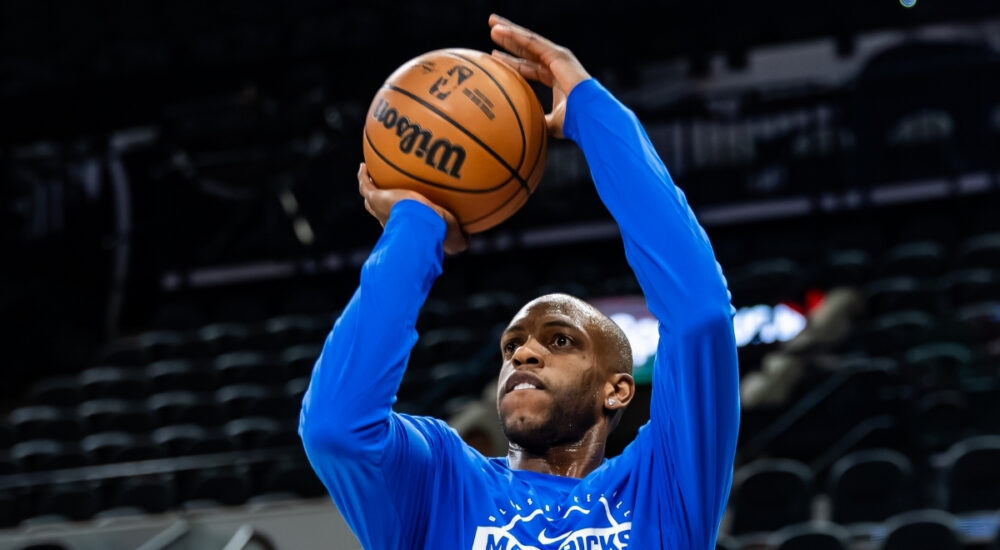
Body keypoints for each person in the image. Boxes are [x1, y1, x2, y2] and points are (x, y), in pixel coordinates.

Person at [300, 14, 739, 550]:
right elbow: (335, 429)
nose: (524, 354)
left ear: (617, 390)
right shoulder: (441, 482)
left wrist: (590, 111)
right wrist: (416, 227)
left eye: (560, 340)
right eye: (512, 345)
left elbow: (701, 315)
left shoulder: (661, 485)